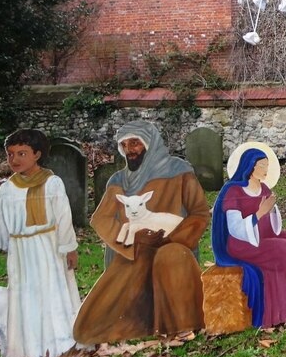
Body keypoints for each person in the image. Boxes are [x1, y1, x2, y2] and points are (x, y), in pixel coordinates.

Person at [0, 129, 80, 357]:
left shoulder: (52, 184)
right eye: (10, 154)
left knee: (50, 293)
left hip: (48, 249)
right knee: (26, 296)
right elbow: (1, 227)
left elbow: (64, 219)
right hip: (21, 254)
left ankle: (60, 343)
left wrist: (69, 247)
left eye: (22, 153)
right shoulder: (7, 189)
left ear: (37, 154)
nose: (15, 160)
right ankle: (30, 347)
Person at [74, 121, 205, 344]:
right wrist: (133, 241)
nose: (129, 150)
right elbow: (102, 219)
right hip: (134, 252)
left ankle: (182, 325)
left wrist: (170, 238)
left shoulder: (179, 171)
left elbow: (199, 213)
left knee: (171, 257)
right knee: (90, 327)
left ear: (150, 143)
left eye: (134, 143)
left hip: (172, 245)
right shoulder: (119, 180)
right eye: (124, 145)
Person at [212, 145, 286, 327]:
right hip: (243, 244)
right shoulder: (233, 192)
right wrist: (260, 212)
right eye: (261, 165)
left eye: (267, 165)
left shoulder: (264, 188)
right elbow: (235, 229)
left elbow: (273, 223)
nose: (265, 169)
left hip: (265, 236)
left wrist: (272, 210)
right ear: (249, 167)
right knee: (285, 249)